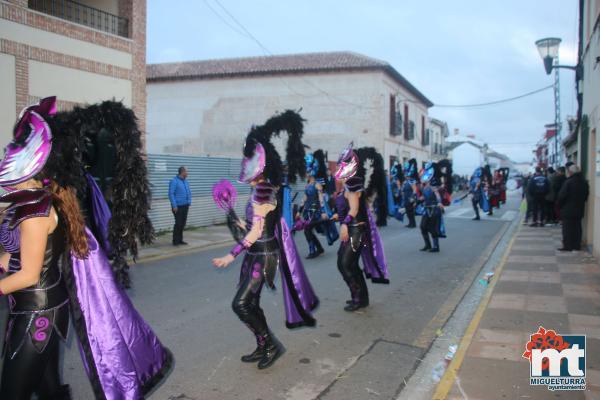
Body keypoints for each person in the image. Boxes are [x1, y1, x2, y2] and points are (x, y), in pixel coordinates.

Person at [0, 97, 172, 399]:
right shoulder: (31, 204)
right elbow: (18, 256)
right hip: (38, 309)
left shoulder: (35, 213)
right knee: (48, 387)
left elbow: (28, 275)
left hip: (36, 313)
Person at [212, 110, 318, 370]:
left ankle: (271, 344)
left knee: (240, 304)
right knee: (250, 303)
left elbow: (257, 231)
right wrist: (239, 222)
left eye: (248, 159)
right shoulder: (261, 189)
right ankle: (263, 344)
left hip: (263, 256)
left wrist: (231, 254)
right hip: (256, 255)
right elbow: (257, 224)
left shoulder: (262, 190)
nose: (244, 162)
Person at [332, 144, 389, 312]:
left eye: (343, 164)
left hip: (356, 230)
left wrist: (344, 223)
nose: (339, 167)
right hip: (351, 228)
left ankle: (359, 298)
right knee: (346, 264)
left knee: (346, 264)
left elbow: (355, 209)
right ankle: (359, 297)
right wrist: (338, 217)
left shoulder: (353, 183)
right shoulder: (347, 185)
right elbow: (348, 208)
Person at [298, 150, 338, 259]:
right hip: (309, 212)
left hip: (316, 213)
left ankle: (314, 251)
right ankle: (318, 249)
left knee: (307, 231)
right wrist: (299, 211)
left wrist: (324, 212)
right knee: (308, 231)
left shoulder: (317, 185)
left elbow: (321, 199)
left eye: (306, 172)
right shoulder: (308, 185)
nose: (305, 174)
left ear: (310, 172)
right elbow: (304, 199)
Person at [557, 164, 589, 251]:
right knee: (577, 227)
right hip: (579, 208)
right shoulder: (584, 182)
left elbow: (561, 196)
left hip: (568, 209)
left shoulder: (568, 182)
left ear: (570, 172)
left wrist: (559, 206)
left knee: (567, 228)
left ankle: (568, 246)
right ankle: (576, 245)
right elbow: (586, 196)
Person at [419, 162, 445, 252]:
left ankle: (436, 246)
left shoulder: (435, 181)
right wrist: (418, 201)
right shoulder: (425, 182)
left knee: (432, 227)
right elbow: (424, 196)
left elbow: (437, 194)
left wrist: (439, 203)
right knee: (422, 226)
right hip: (426, 208)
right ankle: (428, 245)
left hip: (434, 208)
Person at [169, 166, 192, 246]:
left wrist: (189, 201)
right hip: (178, 206)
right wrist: (174, 205)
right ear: (182, 172)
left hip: (185, 205)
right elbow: (171, 194)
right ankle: (175, 241)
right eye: (187, 171)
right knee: (178, 223)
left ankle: (180, 240)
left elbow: (188, 191)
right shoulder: (174, 181)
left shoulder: (186, 181)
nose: (188, 173)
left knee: (183, 223)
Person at [402, 159, 419, 228]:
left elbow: (415, 190)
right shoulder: (405, 182)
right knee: (408, 212)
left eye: (406, 175)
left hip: (410, 198)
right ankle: (410, 223)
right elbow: (403, 190)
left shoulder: (411, 181)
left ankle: (413, 224)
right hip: (406, 198)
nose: (405, 175)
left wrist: (413, 198)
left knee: (411, 212)